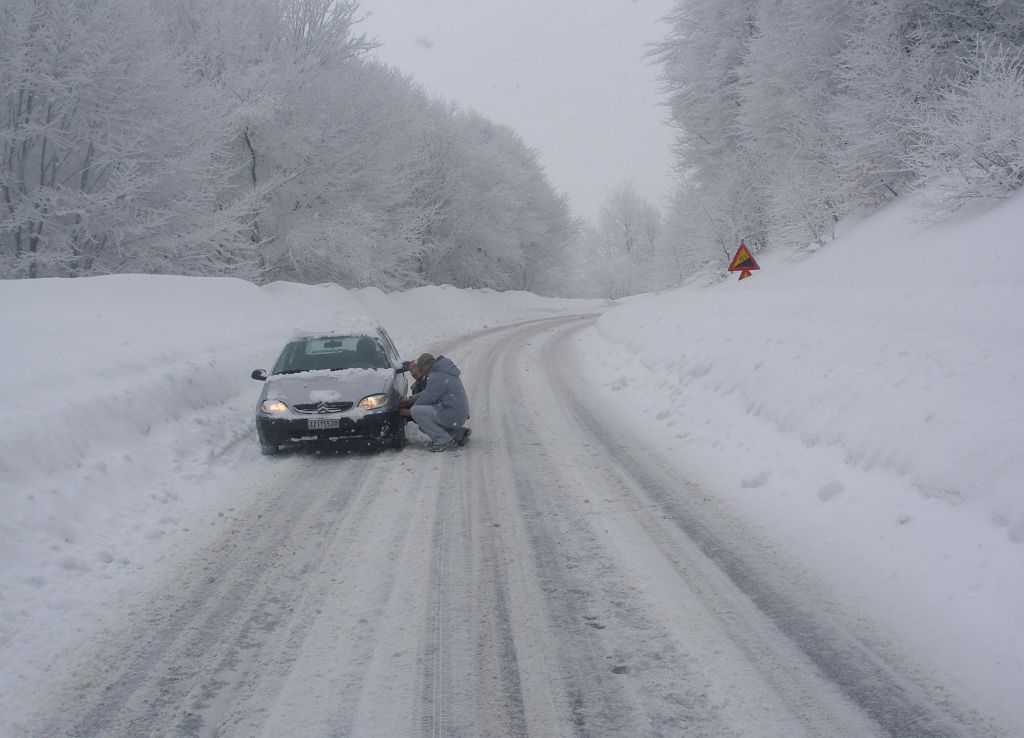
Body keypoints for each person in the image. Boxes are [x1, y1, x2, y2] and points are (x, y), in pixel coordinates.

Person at [398, 352, 471, 452]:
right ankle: (457, 434)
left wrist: (408, 411)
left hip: (453, 414)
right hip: (457, 413)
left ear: (426, 367)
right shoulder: (443, 372)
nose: (422, 373)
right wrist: (411, 399)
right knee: (424, 422)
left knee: (417, 412)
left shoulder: (437, 376)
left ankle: (444, 441)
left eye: (421, 369)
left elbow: (426, 399)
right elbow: (428, 392)